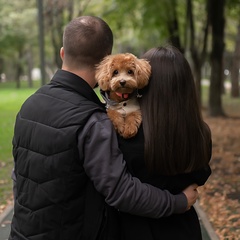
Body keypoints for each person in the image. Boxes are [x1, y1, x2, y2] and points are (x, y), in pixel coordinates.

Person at [9, 17, 198, 240]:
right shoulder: (94, 120)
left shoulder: (28, 105)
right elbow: (122, 191)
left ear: (62, 53)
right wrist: (178, 202)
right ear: (106, 61)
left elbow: (18, 176)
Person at [117, 46, 212, 240]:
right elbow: (201, 174)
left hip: (134, 229)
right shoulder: (200, 131)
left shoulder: (128, 134)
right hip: (184, 229)